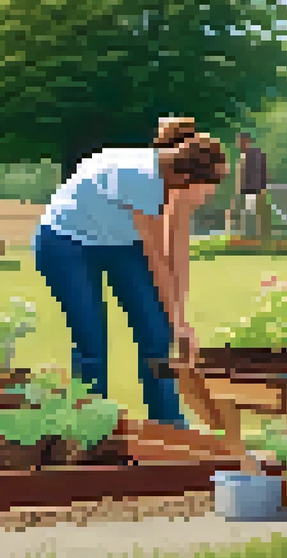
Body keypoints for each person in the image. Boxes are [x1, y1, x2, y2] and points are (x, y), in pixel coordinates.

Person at [34, 124, 228, 426]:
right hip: (65, 244)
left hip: (117, 242)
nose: (214, 191)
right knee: (92, 343)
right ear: (188, 177)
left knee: (156, 334)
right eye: (212, 183)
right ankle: (90, 429)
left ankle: (170, 425)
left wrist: (180, 319)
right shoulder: (139, 179)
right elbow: (157, 260)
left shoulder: (173, 183)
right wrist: (178, 323)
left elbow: (177, 254)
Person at [228, 132, 269, 239]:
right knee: (245, 215)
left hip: (253, 191)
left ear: (247, 141)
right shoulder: (242, 157)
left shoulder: (256, 155)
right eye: (239, 142)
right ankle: (247, 237)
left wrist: (261, 189)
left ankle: (256, 238)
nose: (240, 144)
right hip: (244, 192)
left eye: (242, 141)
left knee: (253, 215)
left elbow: (262, 172)